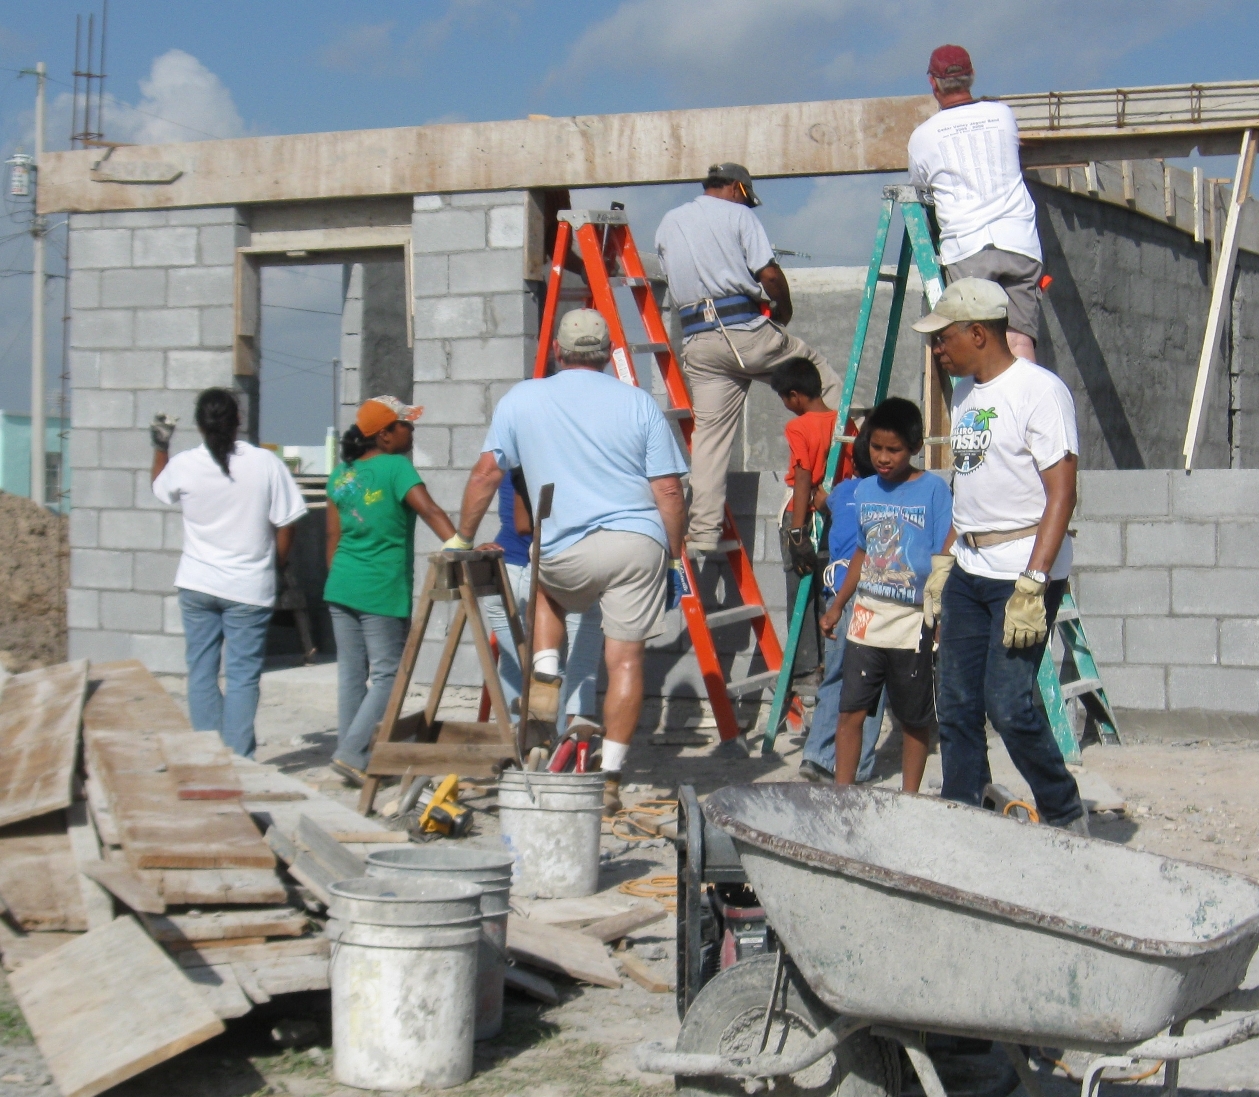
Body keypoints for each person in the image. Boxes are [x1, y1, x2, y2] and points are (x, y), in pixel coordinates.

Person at [449, 309, 689, 814]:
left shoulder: (523, 398)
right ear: (606, 356)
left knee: (549, 595)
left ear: (558, 351)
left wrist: (461, 537)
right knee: (625, 660)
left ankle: (546, 677)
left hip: (562, 548)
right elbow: (668, 488)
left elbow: (486, 475)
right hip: (636, 542)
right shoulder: (639, 403)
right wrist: (671, 554)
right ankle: (609, 777)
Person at [912, 278, 1087, 832]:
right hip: (969, 568)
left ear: (979, 333)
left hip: (1021, 574)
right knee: (957, 705)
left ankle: (1064, 815)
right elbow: (969, 492)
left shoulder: (1040, 392)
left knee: (1009, 705)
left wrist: (1035, 582)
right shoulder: (968, 396)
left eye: (944, 339)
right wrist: (944, 566)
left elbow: (1063, 492)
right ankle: (967, 818)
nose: (938, 350)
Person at [655, 162, 842, 552]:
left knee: (709, 439)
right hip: (744, 331)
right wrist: (783, 306)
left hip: (699, 340)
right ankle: (850, 465)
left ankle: (703, 531)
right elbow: (769, 275)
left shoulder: (669, 222)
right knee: (817, 375)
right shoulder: (738, 214)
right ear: (739, 189)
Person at [150, 388, 307, 758]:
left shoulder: (186, 464)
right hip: (248, 590)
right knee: (242, 677)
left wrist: (160, 445)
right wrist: (277, 566)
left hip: (197, 584)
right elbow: (288, 523)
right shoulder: (265, 463)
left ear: (199, 425)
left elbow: (160, 487)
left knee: (201, 673)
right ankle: (238, 761)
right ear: (238, 421)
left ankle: (208, 757)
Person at [820, 398, 953, 793]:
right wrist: (838, 604)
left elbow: (946, 551)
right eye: (876, 448)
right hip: (867, 616)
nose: (882, 457)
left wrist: (941, 615)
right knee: (850, 710)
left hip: (914, 620)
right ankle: (843, 795)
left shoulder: (933, 490)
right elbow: (861, 552)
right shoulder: (864, 491)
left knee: (913, 717)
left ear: (914, 446)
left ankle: (908, 800)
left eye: (893, 449)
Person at [324, 396, 457, 785]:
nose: (411, 431)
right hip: (380, 587)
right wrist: (461, 546)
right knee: (388, 675)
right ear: (384, 435)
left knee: (352, 674)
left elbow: (332, 536)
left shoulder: (341, 474)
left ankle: (352, 756)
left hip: (342, 584)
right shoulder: (397, 468)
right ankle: (351, 752)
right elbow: (430, 511)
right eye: (406, 425)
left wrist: (344, 579)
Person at [908, 45, 1044, 361]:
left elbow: (920, 187)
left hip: (967, 248)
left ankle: (989, 408)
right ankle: (1024, 407)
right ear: (973, 77)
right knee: (1019, 337)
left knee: (979, 345)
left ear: (933, 83)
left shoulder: (923, 136)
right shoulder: (1002, 114)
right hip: (1019, 244)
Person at [481, 470, 604, 737]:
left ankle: (523, 750)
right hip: (553, 565)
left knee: (517, 665)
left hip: (507, 562)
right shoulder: (555, 458)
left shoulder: (510, 453)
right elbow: (527, 524)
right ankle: (557, 748)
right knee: (556, 667)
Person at [797, 430, 887, 783]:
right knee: (872, 682)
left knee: (834, 675)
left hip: (838, 594)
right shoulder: (886, 494)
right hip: (871, 597)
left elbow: (819, 500)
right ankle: (859, 764)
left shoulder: (842, 493)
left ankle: (817, 755)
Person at [769, 357, 837, 676]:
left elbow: (803, 474)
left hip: (804, 515)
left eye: (784, 398)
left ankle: (805, 668)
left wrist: (797, 530)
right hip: (831, 513)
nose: (786, 405)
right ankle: (828, 658)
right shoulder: (842, 421)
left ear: (794, 395)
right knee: (827, 586)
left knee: (799, 591)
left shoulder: (798, 426)